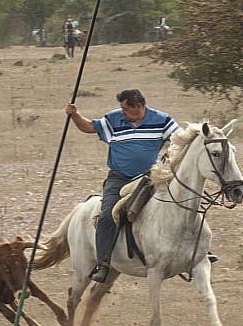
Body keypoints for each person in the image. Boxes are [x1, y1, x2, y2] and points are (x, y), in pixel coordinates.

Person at [65, 89, 179, 283]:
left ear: (139, 107)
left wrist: (170, 156)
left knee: (181, 204)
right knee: (107, 214)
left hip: (150, 177)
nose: (122, 112)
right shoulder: (113, 119)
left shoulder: (161, 120)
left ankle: (196, 252)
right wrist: (74, 115)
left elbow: (180, 139)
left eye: (126, 108)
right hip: (119, 179)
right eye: (121, 108)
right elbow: (88, 127)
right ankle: (103, 263)